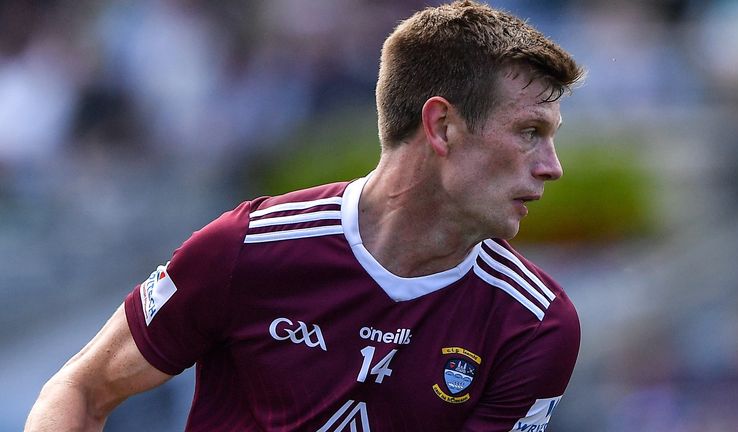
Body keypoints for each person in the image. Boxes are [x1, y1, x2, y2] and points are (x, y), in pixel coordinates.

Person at [26, 1, 584, 430]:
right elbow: (80, 389)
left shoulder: (534, 325)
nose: (552, 167)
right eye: (530, 133)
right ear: (440, 127)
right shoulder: (246, 248)